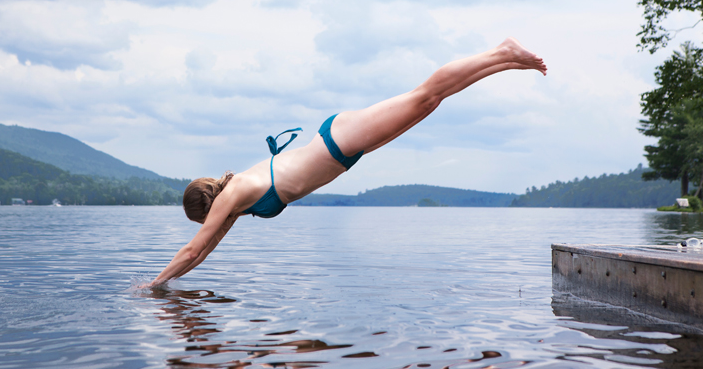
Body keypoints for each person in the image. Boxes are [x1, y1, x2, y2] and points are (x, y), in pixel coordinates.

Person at [148, 37, 547, 287]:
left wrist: (150, 286)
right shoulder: (235, 203)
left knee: (424, 95)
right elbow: (205, 250)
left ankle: (502, 53)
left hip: (337, 142)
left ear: (204, 209)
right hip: (344, 152)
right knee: (429, 103)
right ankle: (505, 61)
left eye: (202, 221)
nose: (208, 227)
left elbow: (191, 250)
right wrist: (166, 285)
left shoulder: (231, 196)